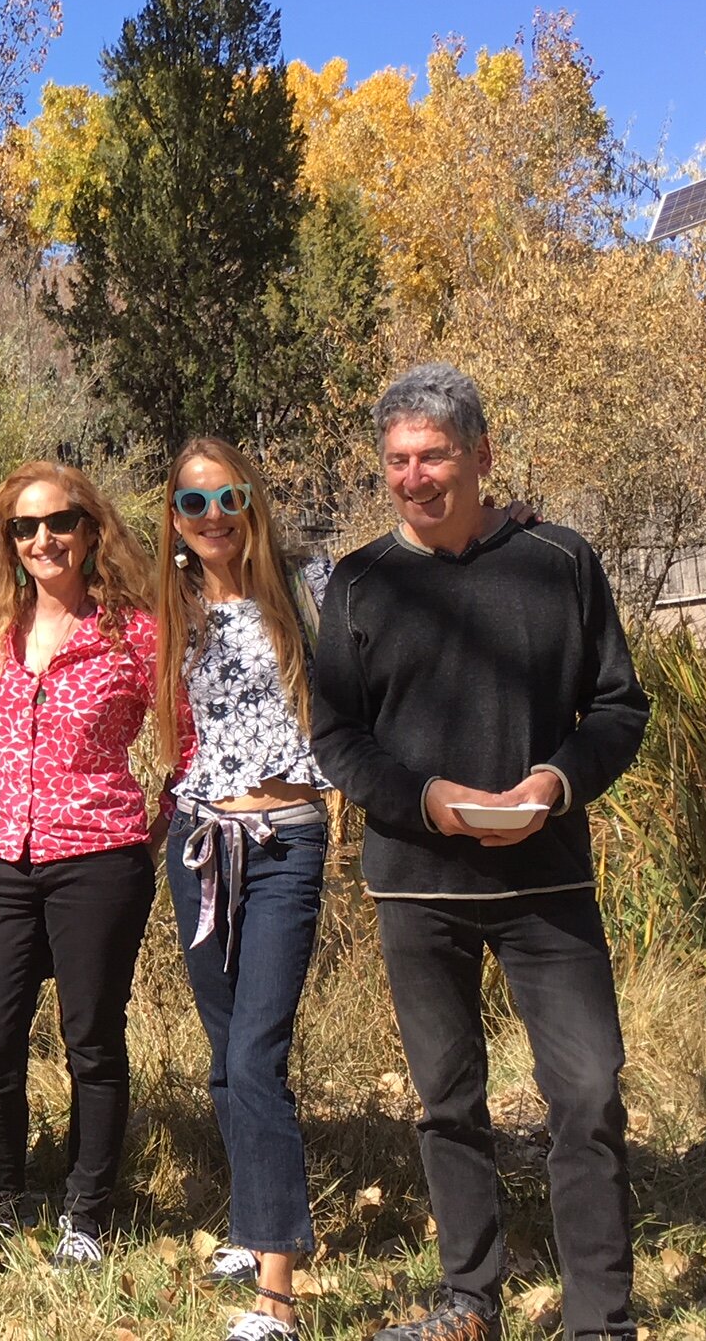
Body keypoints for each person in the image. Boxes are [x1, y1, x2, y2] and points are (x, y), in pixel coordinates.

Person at [311, 364, 649, 1341]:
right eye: (397, 462)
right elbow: (338, 737)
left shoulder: (559, 561)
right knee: (447, 1103)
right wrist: (424, 798)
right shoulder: (362, 582)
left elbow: (619, 705)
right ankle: (471, 1304)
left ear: (483, 456)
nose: (413, 478)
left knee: (586, 1094)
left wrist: (555, 782)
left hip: (547, 883)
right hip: (417, 886)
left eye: (434, 457)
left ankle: (601, 1321)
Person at [0, 460, 159, 1267]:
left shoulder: (133, 630)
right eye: (24, 527)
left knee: (92, 1039)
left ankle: (87, 1212)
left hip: (99, 858)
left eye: (60, 522)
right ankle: (0, 1199)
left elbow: (185, 730)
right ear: (7, 540)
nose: (44, 539)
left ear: (90, 529)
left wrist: (159, 821)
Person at [152, 438, 331, 1341]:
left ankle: (277, 1298)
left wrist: (513, 521)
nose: (214, 515)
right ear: (175, 521)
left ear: (253, 501)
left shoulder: (308, 587)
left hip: (288, 838)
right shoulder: (162, 606)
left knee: (259, 1055)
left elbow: (408, 592)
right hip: (200, 843)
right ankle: (251, 1223)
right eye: (194, 503)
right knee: (227, 1054)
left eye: (230, 497)